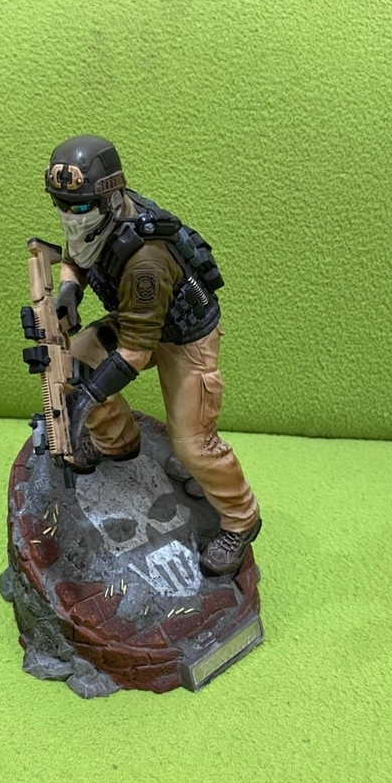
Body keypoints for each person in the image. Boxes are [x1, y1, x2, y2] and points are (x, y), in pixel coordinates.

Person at [46, 134, 261, 576]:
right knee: (75, 362)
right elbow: (77, 255)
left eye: (80, 206)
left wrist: (85, 400)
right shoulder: (99, 217)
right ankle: (116, 442)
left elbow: (135, 353)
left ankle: (241, 520)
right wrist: (69, 289)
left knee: (193, 445)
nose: (71, 215)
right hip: (139, 321)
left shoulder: (145, 259)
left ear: (109, 197)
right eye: (62, 205)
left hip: (185, 339)